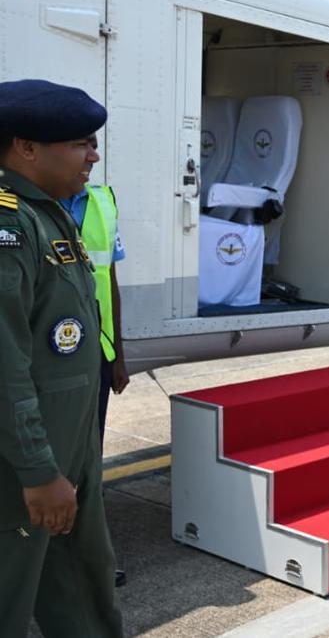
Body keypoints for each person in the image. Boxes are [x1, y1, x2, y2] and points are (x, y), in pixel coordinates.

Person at [0, 79, 125, 636]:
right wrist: (39, 471)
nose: (93, 155)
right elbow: (5, 363)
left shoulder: (48, 213)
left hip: (68, 456)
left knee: (83, 589)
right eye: (80, 143)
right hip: (25, 471)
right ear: (25, 146)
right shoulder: (9, 222)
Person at [59, 167, 130, 588]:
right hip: (43, 361)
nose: (92, 155)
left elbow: (111, 281)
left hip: (95, 356)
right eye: (79, 144)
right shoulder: (17, 202)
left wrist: (119, 354)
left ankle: (87, 557)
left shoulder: (103, 200)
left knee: (88, 460)